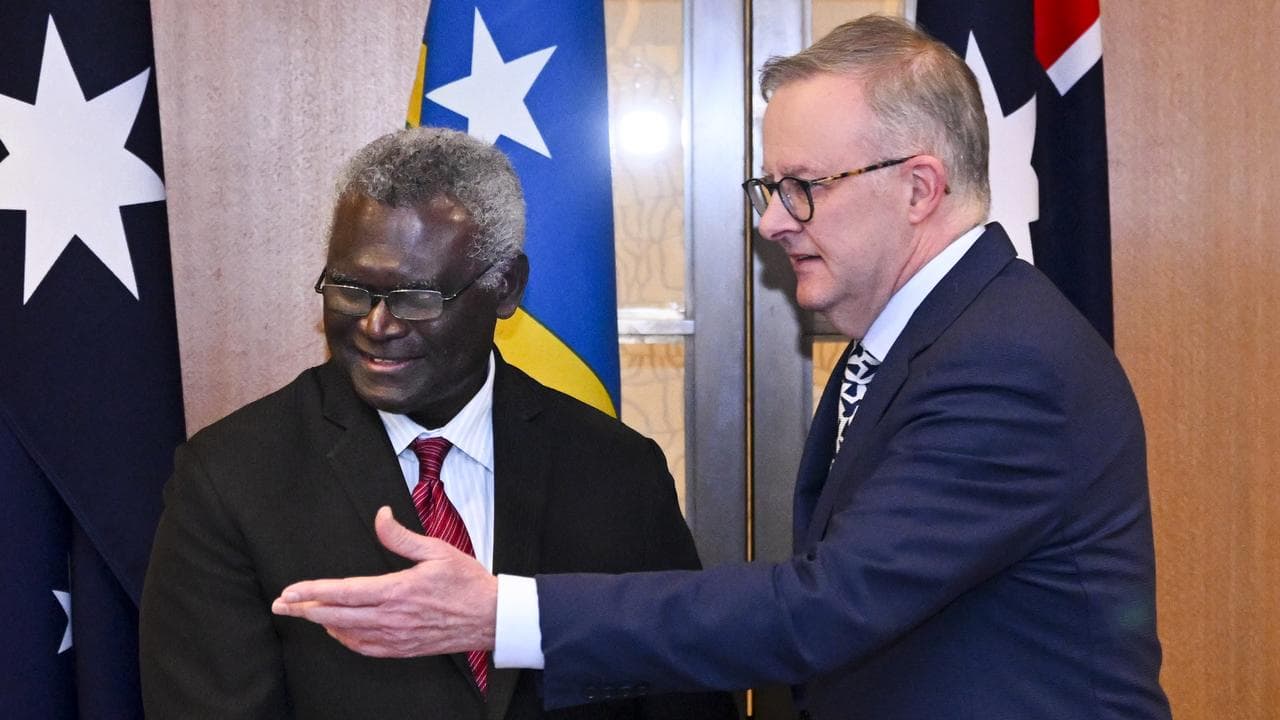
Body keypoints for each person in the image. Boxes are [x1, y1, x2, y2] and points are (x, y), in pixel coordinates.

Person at [272, 16, 1172, 720]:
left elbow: (824, 610)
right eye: (766, 189)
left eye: (801, 187)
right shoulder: (933, 336)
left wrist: (500, 614)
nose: (772, 221)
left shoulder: (1003, 363)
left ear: (919, 187)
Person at [139, 126, 737, 720]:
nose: (377, 325)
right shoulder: (232, 478)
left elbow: (682, 691)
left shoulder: (616, 470)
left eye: (416, 297)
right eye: (351, 289)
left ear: (506, 287)